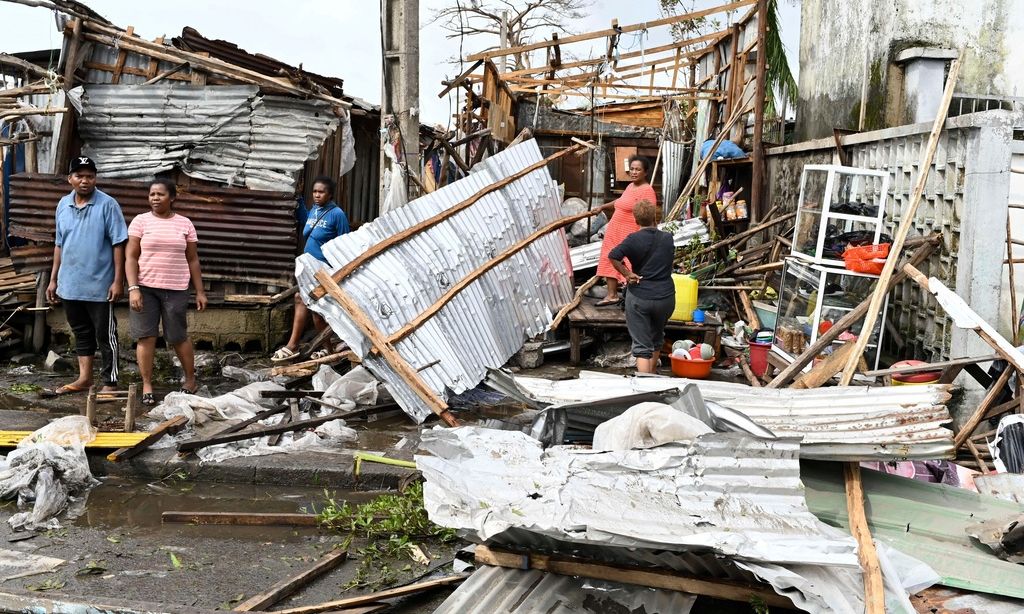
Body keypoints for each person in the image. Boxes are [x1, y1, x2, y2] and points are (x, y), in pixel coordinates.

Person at [46, 156, 128, 396]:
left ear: (95, 178)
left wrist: (117, 280)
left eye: (90, 176)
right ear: (69, 179)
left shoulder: (108, 204)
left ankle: (110, 383)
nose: (85, 180)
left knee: (105, 335)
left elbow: (118, 244)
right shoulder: (63, 204)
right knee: (81, 332)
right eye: (79, 176)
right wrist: (53, 279)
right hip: (70, 283)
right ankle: (84, 378)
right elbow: (59, 244)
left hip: (100, 285)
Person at [125, 179, 208, 405]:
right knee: (146, 336)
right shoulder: (140, 221)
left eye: (160, 194)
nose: (155, 198)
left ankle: (190, 380)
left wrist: (199, 291)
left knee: (178, 336)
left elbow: (192, 259)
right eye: (152, 194)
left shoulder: (185, 223)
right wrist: (133, 288)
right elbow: (131, 256)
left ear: (172, 197)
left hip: (176, 288)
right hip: (145, 288)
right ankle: (147, 385)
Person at [272, 176, 349, 362]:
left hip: (324, 269)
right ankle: (326, 349)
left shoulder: (337, 214)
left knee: (306, 301)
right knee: (311, 305)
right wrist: (298, 199)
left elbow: (345, 243)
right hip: (308, 269)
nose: (316, 195)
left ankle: (294, 346)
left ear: (330, 194)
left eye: (321, 192)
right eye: (314, 191)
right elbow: (307, 223)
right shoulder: (315, 210)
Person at [608, 199, 676, 374]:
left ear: (635, 220)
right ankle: (652, 379)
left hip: (640, 297)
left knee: (642, 346)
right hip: (665, 298)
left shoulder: (632, 240)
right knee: (656, 338)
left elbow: (613, 256)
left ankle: (645, 388)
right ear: (655, 217)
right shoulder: (668, 239)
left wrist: (627, 274)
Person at [595, 155, 657, 307]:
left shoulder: (647, 190)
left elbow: (649, 214)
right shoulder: (630, 186)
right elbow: (620, 202)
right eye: (632, 169)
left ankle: (632, 297)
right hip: (614, 230)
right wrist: (603, 207)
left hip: (630, 232)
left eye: (638, 169)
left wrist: (651, 236)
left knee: (628, 263)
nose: (634, 172)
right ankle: (611, 295)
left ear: (645, 172)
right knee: (609, 258)